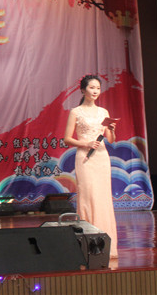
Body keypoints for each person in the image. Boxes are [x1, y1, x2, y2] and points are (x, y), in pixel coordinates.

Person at [63, 74, 118, 258]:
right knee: (88, 197)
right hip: (85, 157)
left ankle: (105, 244)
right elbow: (67, 139)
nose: (95, 91)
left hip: (102, 157)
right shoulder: (76, 112)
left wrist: (112, 131)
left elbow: (111, 140)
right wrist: (85, 143)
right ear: (82, 90)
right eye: (92, 87)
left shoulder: (104, 112)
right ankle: (88, 244)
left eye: (98, 88)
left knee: (102, 199)